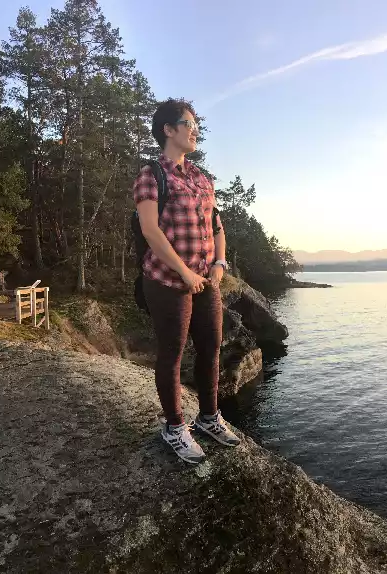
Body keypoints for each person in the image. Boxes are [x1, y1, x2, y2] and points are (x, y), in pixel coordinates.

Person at [133, 98, 240, 464]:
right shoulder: (152, 175)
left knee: (211, 347)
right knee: (172, 354)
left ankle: (209, 418)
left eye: (196, 125)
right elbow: (150, 230)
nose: (195, 130)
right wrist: (184, 271)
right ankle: (175, 427)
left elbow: (217, 227)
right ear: (168, 129)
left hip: (205, 280)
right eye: (188, 123)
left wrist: (219, 264)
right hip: (166, 280)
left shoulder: (201, 178)